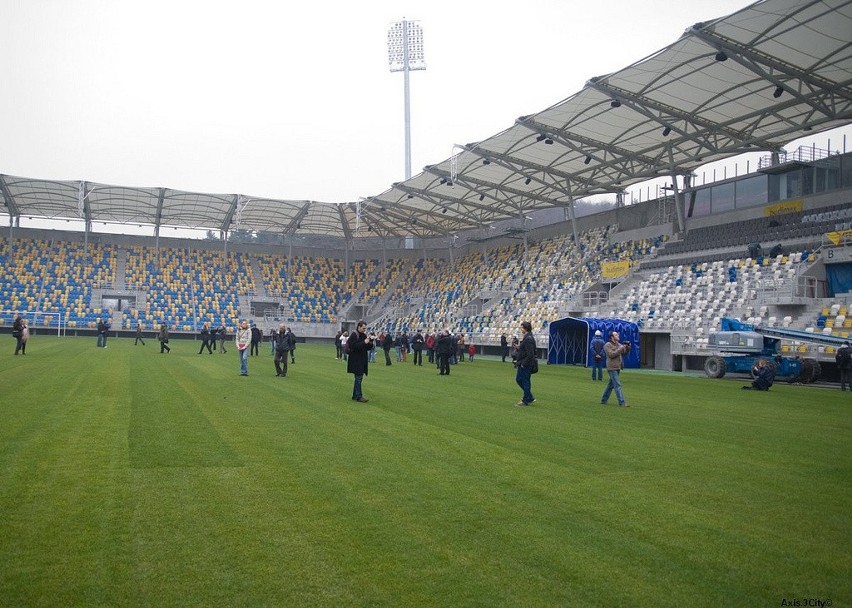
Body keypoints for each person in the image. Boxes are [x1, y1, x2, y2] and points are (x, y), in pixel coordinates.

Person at [601, 330, 630, 407]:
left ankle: (603, 400)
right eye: (616, 335)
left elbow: (624, 352)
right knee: (617, 385)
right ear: (612, 337)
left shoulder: (618, 344)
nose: (618, 336)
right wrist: (621, 348)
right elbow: (611, 355)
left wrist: (627, 348)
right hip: (612, 367)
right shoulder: (607, 345)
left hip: (617, 367)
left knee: (610, 385)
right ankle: (622, 402)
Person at [347, 321, 372, 403]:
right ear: (359, 327)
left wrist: (370, 342)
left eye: (365, 328)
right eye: (363, 328)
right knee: (358, 378)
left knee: (358, 378)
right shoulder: (354, 335)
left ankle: (355, 395)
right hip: (356, 360)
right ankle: (358, 396)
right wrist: (364, 342)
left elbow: (367, 348)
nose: (364, 330)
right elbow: (353, 346)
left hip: (361, 360)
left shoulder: (364, 335)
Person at [514, 321, 537, 406]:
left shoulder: (528, 338)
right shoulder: (527, 337)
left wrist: (523, 364)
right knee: (519, 380)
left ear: (525, 328)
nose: (520, 329)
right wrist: (519, 348)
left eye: (521, 327)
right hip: (523, 363)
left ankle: (526, 400)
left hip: (526, 364)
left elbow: (530, 354)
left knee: (524, 381)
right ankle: (529, 396)